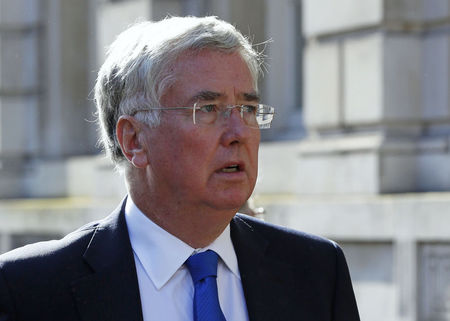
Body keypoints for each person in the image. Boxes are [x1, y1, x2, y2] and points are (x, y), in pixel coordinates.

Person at [0, 16, 360, 321]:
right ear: (134, 140)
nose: (238, 133)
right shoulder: (28, 288)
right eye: (207, 109)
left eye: (248, 109)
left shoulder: (316, 271)